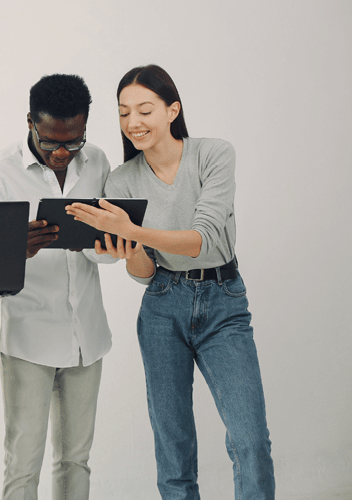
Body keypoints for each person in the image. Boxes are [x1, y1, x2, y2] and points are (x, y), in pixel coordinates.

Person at [66, 64, 275, 499]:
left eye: (145, 110)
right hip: (163, 305)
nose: (133, 123)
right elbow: (142, 273)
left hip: (223, 301)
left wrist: (133, 228)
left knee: (250, 441)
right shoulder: (121, 180)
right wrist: (128, 246)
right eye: (124, 113)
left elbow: (202, 240)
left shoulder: (213, 154)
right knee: (173, 445)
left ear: (172, 110)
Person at [0, 74, 115, 500]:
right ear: (30, 122)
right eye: (52, 141)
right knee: (23, 462)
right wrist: (17, 252)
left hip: (87, 337)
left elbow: (103, 256)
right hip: (28, 340)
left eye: (74, 142)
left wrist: (106, 243)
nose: (62, 153)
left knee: (76, 459)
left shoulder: (99, 162)